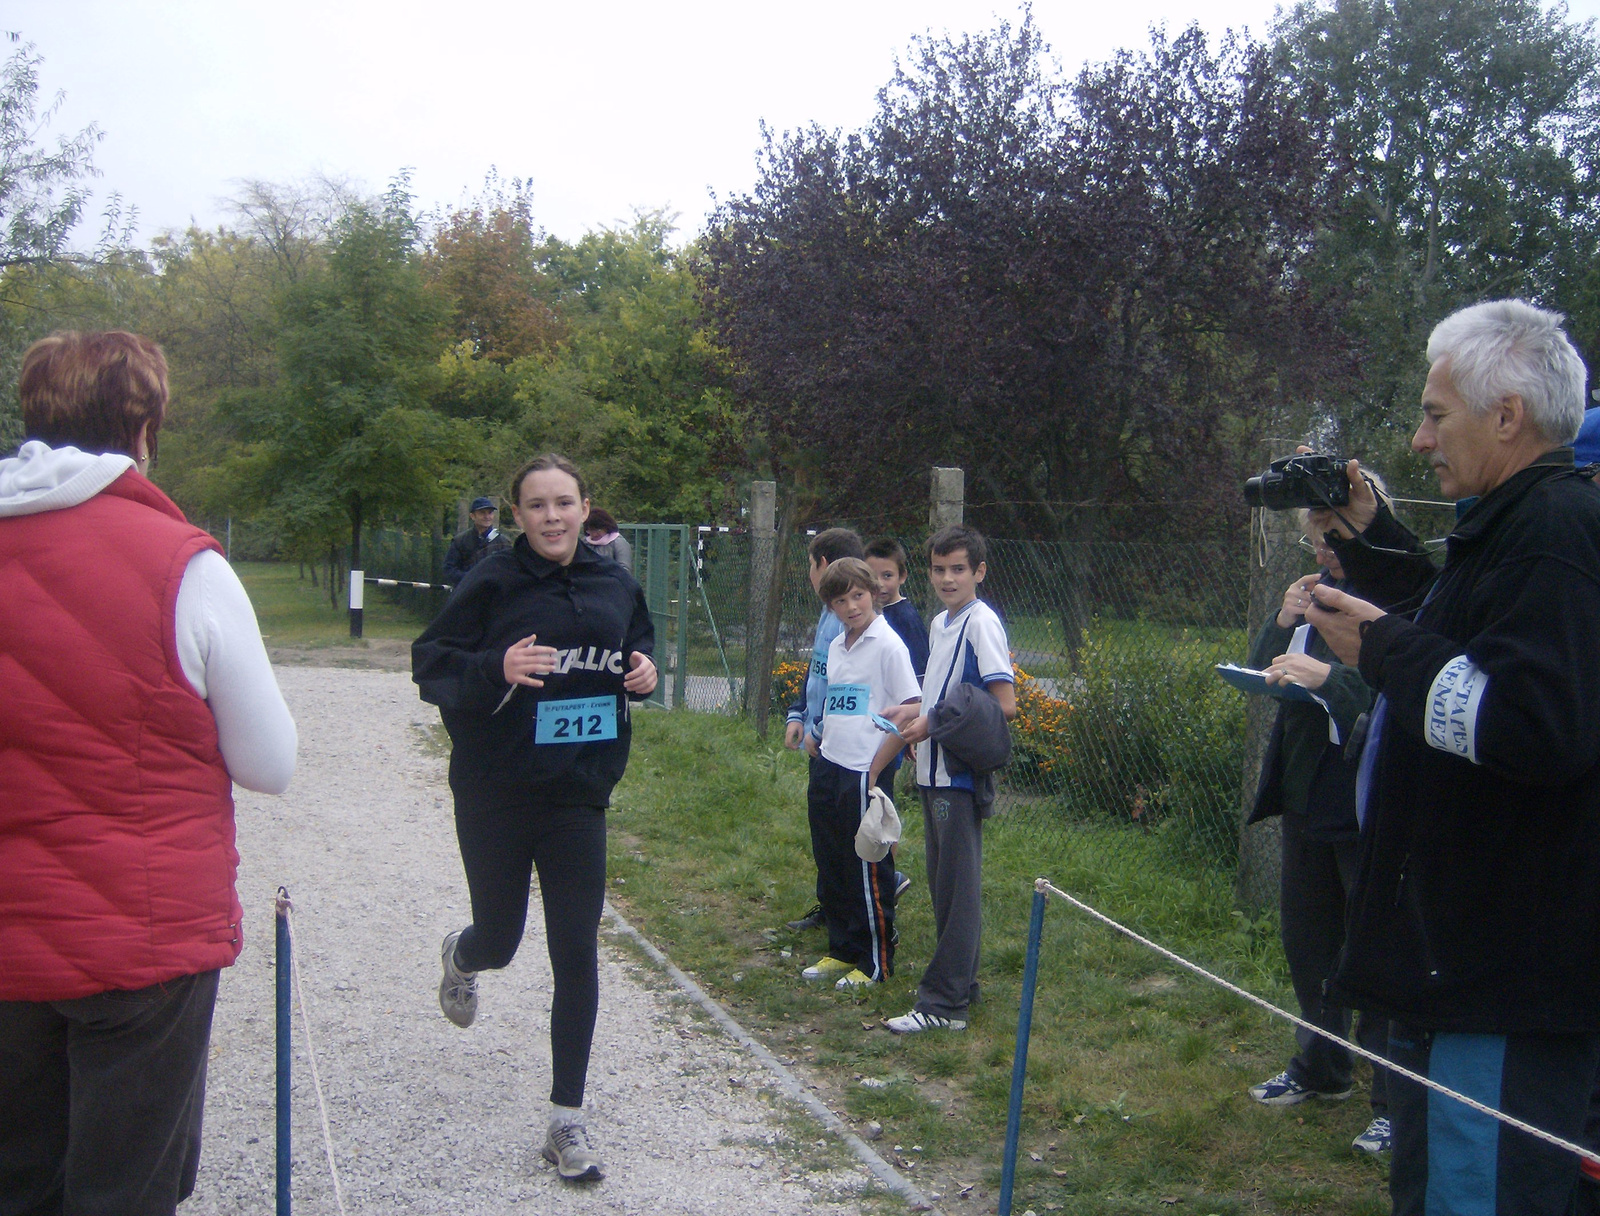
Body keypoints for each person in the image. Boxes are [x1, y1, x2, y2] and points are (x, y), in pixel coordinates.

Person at [1303, 300, 1600, 1216]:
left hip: (1500, 980)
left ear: (1505, 415)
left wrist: (1382, 651)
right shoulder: (1511, 524)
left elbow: (1533, 723)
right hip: (1457, 967)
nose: (1420, 439)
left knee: (1481, 1195)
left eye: (1437, 415)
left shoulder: (1557, 532)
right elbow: (1462, 632)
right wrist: (1376, 539)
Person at [0, 330, 298, 1216]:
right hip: (142, 937)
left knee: (19, 1180)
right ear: (145, 428)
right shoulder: (184, 564)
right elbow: (269, 762)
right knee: (126, 1189)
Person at [412, 454, 656, 1184]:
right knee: (504, 936)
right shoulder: (492, 579)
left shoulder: (615, 579)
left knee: (576, 948)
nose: (552, 517)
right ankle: (464, 952)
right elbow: (431, 663)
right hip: (496, 787)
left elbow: (636, 647)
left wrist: (641, 670)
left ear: (586, 508)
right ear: (517, 515)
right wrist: (497, 668)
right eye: (537, 506)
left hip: (577, 789)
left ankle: (565, 1119)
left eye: (564, 503)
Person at [1242, 505, 1392, 1156]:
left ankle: (1394, 1099)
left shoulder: (1392, 601)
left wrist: (1329, 679)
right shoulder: (1308, 604)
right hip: (1308, 794)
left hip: (1367, 799)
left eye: (1332, 541)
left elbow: (1396, 691)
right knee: (1308, 941)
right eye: (1313, 544)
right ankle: (1323, 1068)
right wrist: (1281, 623)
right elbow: (1262, 672)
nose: (1322, 556)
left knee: (1376, 950)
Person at [882, 525, 1016, 1034]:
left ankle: (944, 1004)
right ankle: (963, 985)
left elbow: (1004, 704)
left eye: (958, 569)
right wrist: (914, 707)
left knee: (958, 889)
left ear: (979, 572)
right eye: (939, 569)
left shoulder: (982, 624)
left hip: (958, 776)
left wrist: (933, 722)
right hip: (933, 772)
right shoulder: (941, 623)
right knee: (943, 886)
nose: (947, 578)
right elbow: (941, 693)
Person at [797, 557, 921, 989]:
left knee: (867, 867)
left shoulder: (889, 645)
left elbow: (912, 711)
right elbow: (839, 701)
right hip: (830, 765)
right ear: (830, 606)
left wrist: (873, 772)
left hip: (865, 772)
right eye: (840, 600)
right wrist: (819, 736)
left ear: (873, 594)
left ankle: (875, 961)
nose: (851, 607)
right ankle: (841, 948)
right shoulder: (836, 646)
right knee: (832, 862)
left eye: (858, 596)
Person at [783, 527, 867, 932]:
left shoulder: (849, 619)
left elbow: (845, 685)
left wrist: (818, 728)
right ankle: (831, 907)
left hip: (836, 746)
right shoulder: (826, 612)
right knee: (824, 833)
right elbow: (817, 672)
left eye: (809, 566)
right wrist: (798, 713)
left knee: (840, 835)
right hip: (818, 738)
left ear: (820, 564)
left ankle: (850, 914)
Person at [443, 495, 510, 585]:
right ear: (472, 516)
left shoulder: (503, 542)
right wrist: (471, 579)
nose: (487, 516)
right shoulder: (460, 541)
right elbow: (449, 569)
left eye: (490, 513)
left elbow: (510, 570)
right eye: (482, 513)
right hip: (467, 593)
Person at [583, 508, 633, 573]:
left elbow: (625, 571)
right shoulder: (584, 543)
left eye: (598, 530)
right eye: (591, 530)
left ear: (606, 527)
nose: (595, 534)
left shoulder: (618, 543)